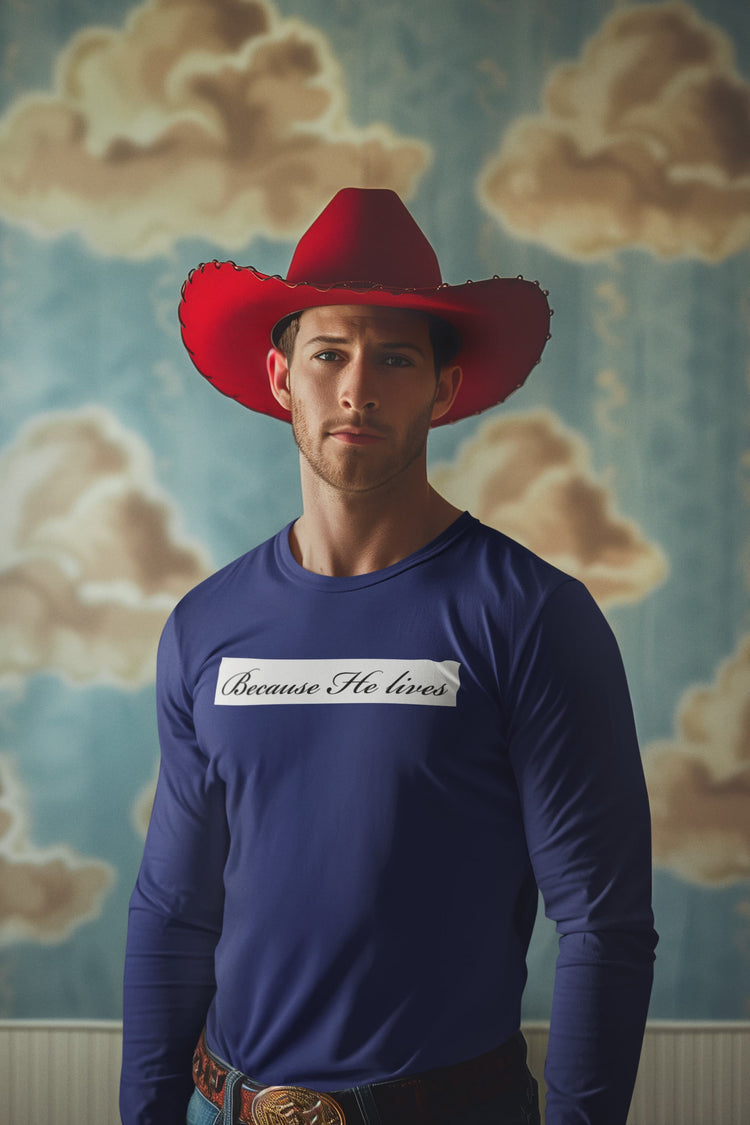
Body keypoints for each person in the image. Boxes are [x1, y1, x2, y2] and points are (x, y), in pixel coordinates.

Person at [120, 188, 657, 1125]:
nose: (357, 387)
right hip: (222, 1105)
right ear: (282, 377)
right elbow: (173, 910)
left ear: (443, 389)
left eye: (396, 358)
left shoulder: (533, 615)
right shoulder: (207, 625)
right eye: (329, 353)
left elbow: (602, 922)